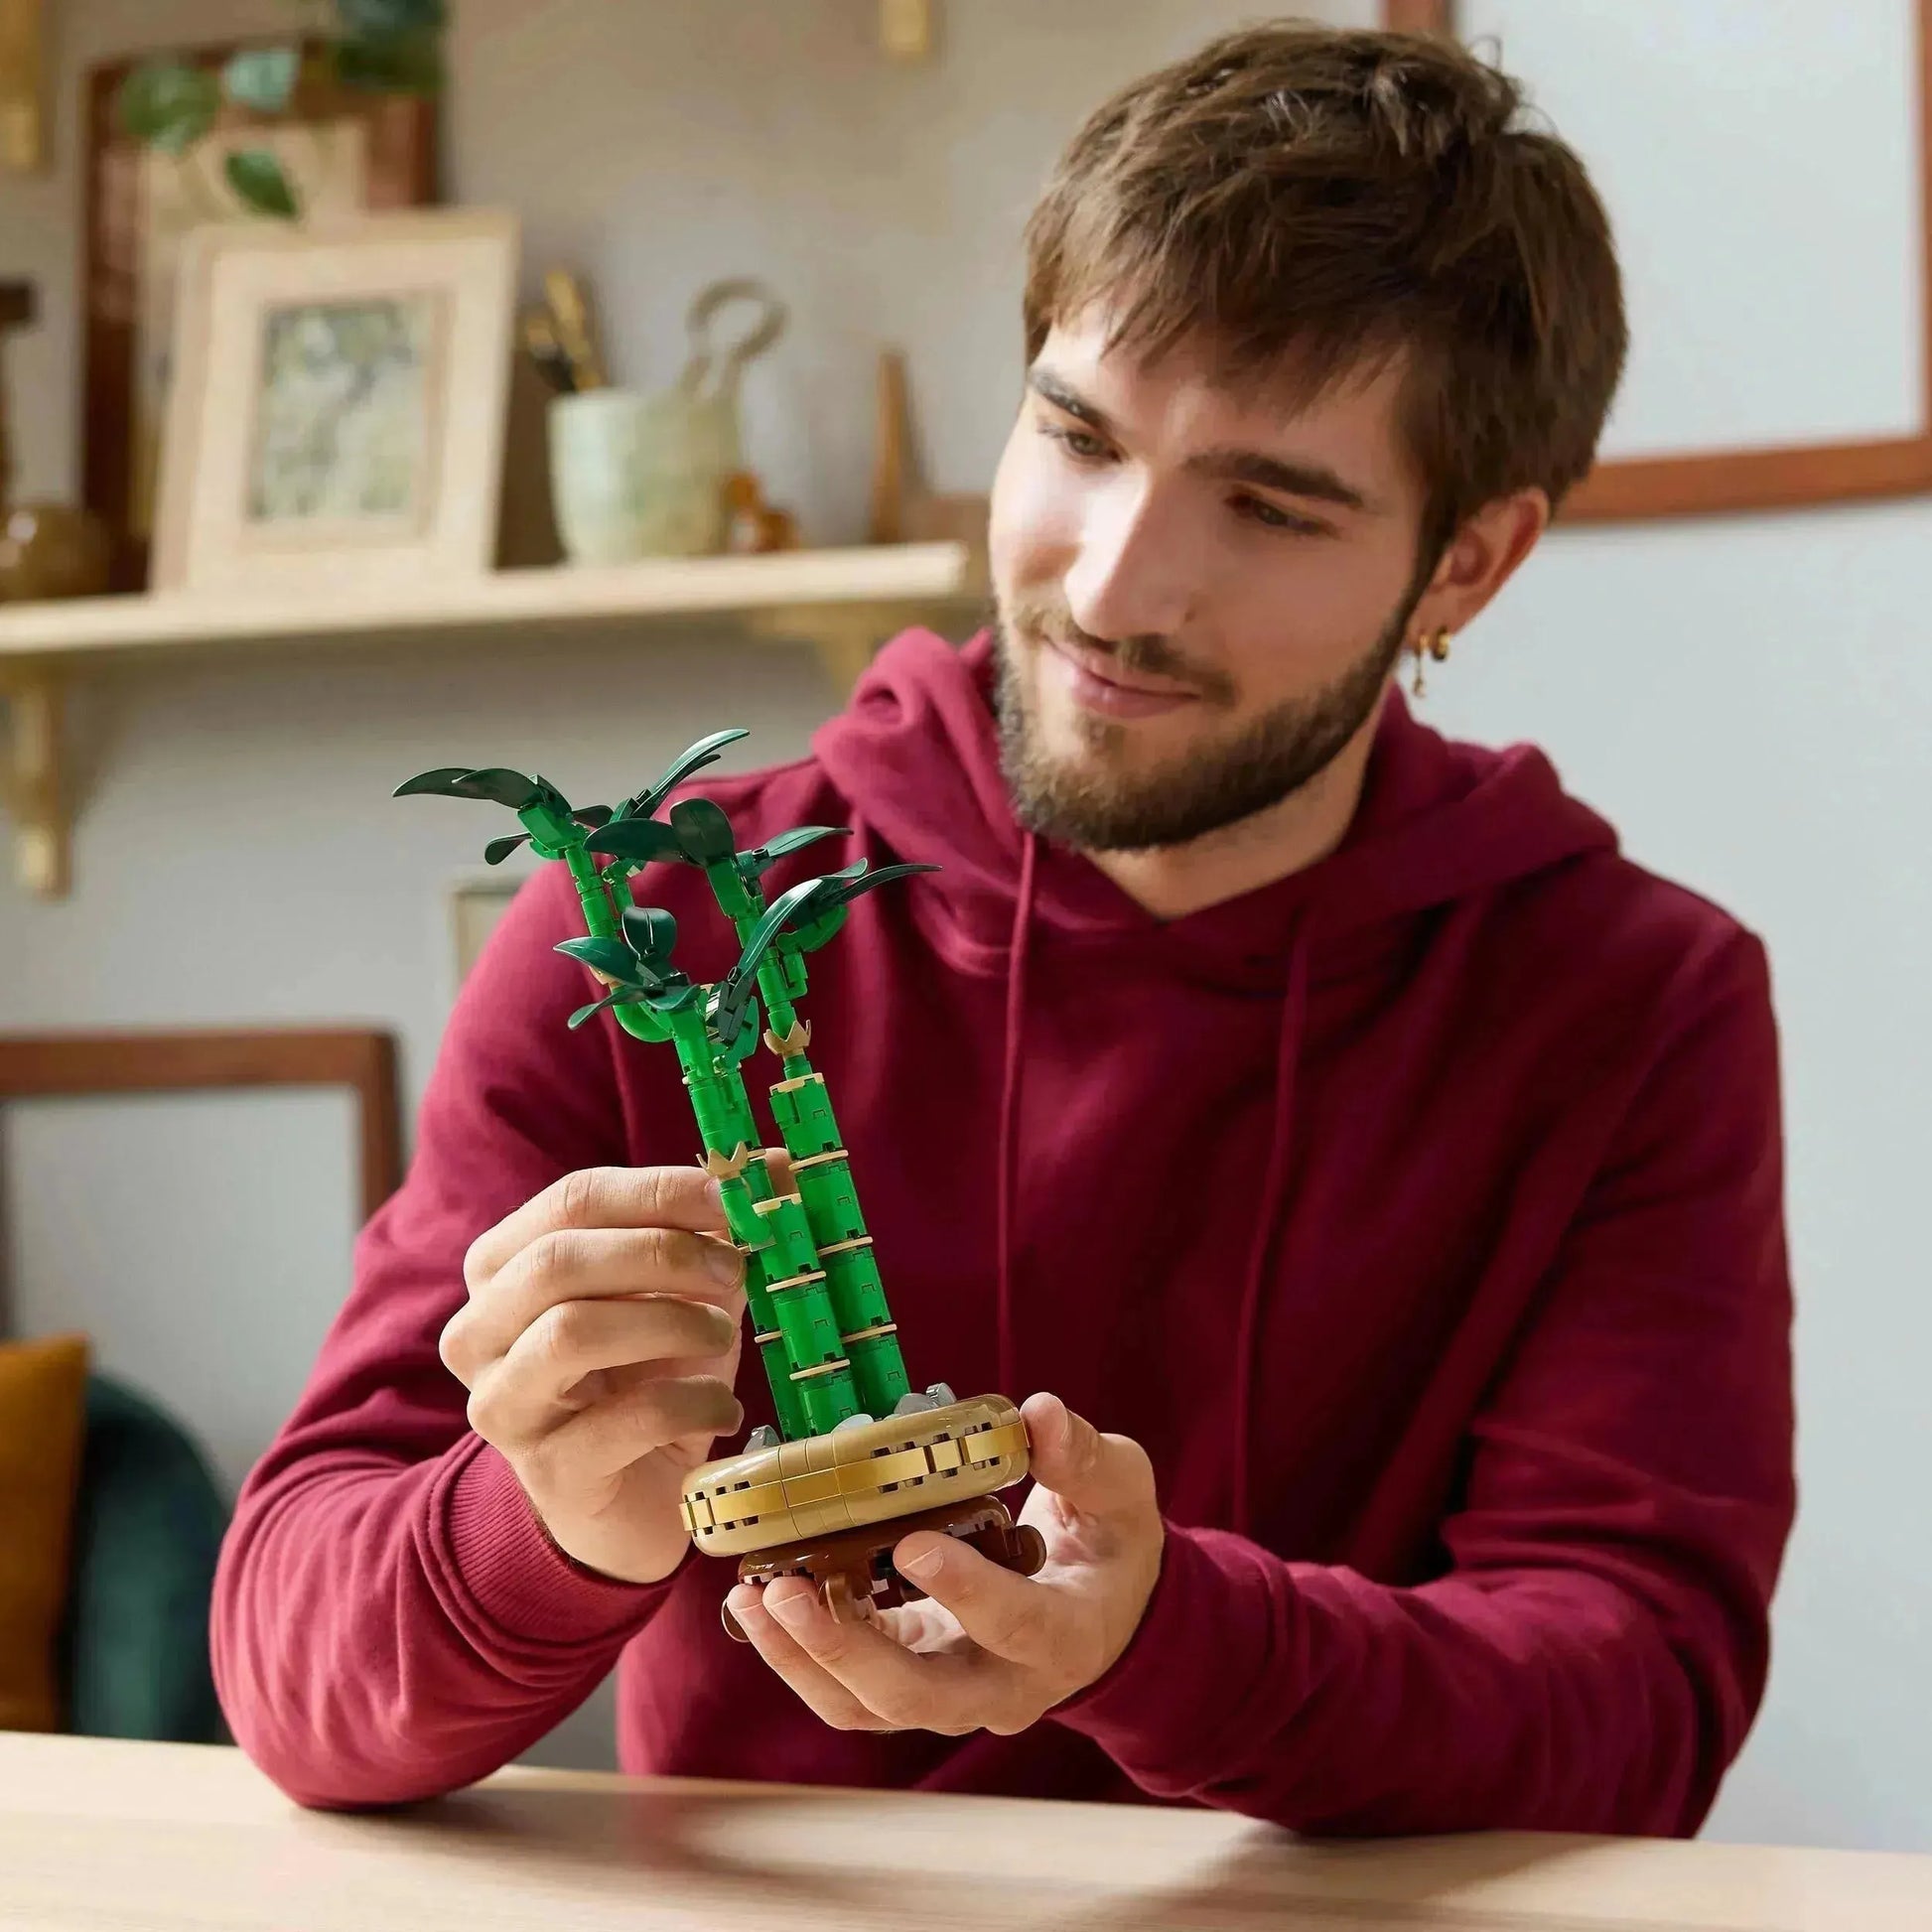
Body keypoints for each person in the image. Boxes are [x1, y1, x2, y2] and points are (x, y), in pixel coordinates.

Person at [212, 21, 1795, 1837]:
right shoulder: (655, 934)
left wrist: (1172, 1642)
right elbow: (290, 1674)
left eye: (1266, 507)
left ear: (1465, 561)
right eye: (1077, 436)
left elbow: (1637, 1695)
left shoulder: (1630, 1001)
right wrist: (541, 1520)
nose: (1113, 585)